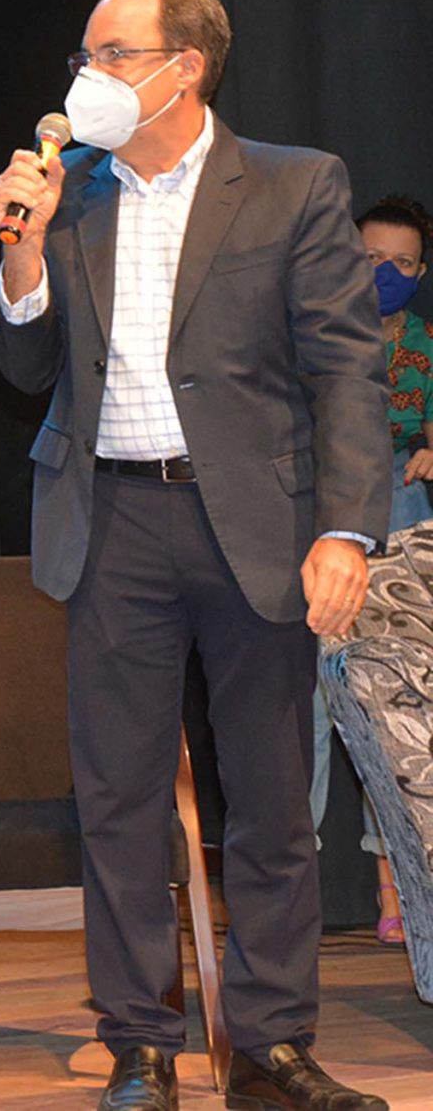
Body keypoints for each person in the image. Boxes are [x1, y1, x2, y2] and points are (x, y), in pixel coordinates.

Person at [0, 0, 391, 1111]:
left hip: (251, 526)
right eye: (86, 53)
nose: (87, 77)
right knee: (115, 796)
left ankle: (268, 1045)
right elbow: (23, 372)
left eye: (111, 54)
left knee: (265, 795)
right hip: (109, 520)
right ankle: (138, 1045)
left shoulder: (291, 186)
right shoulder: (69, 200)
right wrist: (20, 252)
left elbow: (345, 373)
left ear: (183, 68)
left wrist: (345, 529)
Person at [308, 196, 433, 945]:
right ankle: (293, 889)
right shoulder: (307, 332)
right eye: (368, 258)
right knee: (309, 709)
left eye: (402, 263)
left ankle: (401, 889)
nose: (383, 273)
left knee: (395, 703)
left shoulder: (424, 346)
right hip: (317, 521)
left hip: (401, 520)